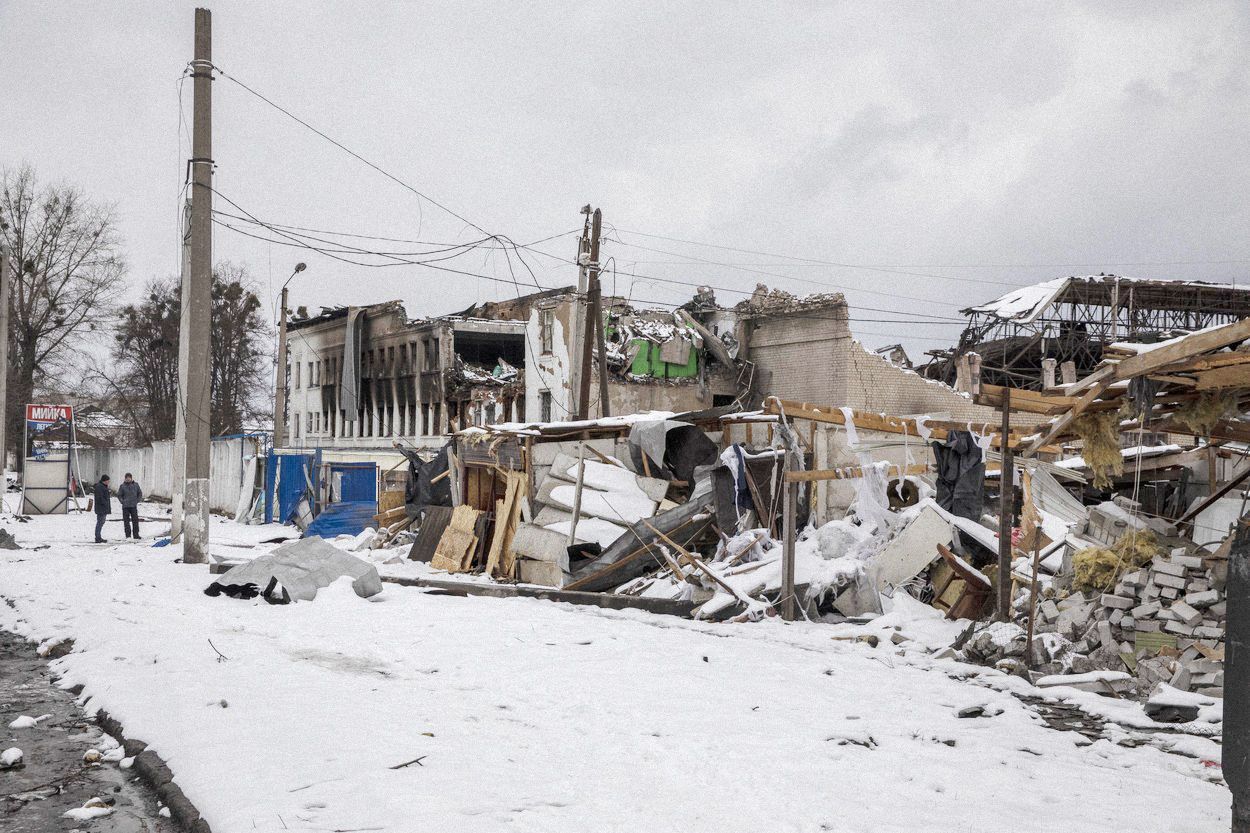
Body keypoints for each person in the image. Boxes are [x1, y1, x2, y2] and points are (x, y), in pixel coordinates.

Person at [117, 473, 143, 539]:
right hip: (125, 507)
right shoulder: (122, 486)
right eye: (127, 478)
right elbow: (119, 495)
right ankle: (128, 535)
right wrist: (122, 501)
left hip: (133, 506)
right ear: (125, 478)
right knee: (126, 521)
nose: (128, 479)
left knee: (135, 521)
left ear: (131, 478)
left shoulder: (136, 485)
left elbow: (140, 493)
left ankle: (136, 535)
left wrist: (137, 500)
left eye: (129, 478)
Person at [92, 475, 112, 543]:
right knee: (100, 522)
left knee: (101, 522)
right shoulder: (100, 487)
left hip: (102, 508)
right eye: (108, 480)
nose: (108, 482)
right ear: (105, 480)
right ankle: (98, 537)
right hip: (101, 508)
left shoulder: (102, 486)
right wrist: (105, 503)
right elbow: (100, 498)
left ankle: (98, 536)